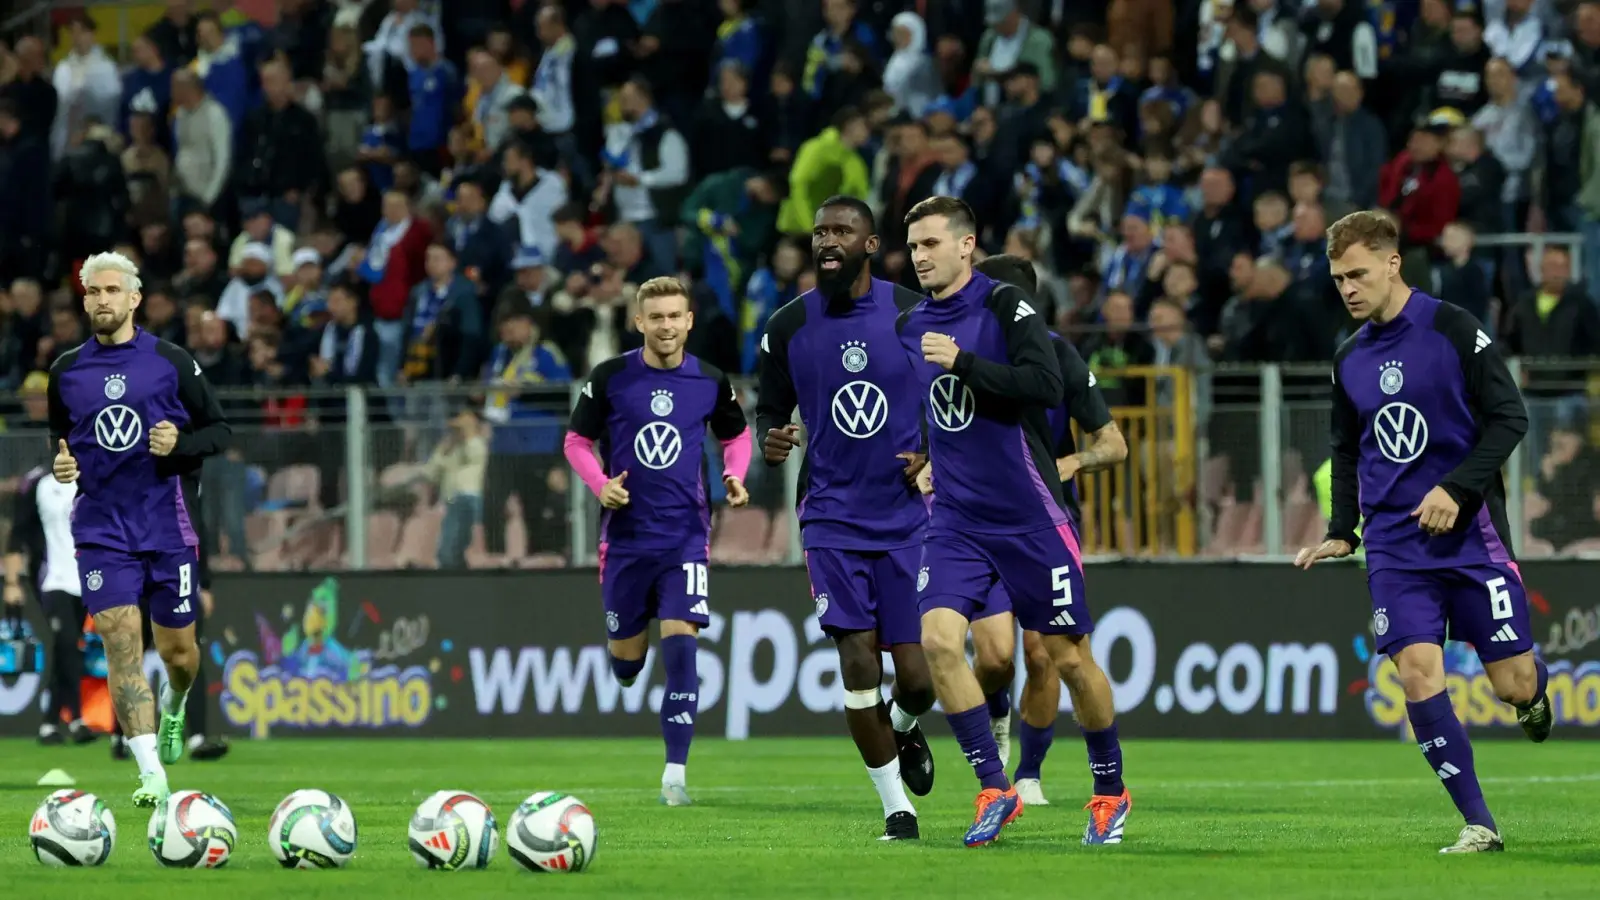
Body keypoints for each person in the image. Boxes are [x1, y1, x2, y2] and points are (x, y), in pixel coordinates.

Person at [1295, 210, 1547, 854]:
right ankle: (1479, 823)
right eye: (1337, 278)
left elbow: (1509, 419)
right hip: (1394, 547)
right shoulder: (1348, 356)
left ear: (1391, 263)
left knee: (1512, 684)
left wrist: (1457, 488)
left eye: (1357, 274)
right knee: (1416, 671)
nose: (1347, 288)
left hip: (1471, 539)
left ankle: (1534, 693)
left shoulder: (1454, 328)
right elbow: (1346, 449)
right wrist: (1343, 531)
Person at [895, 196, 1129, 848]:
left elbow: (1044, 385)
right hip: (956, 520)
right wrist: (923, 455)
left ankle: (1110, 792)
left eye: (932, 244)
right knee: (940, 641)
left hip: (1028, 514)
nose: (920, 256)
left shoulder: (1005, 305)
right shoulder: (911, 323)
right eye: (913, 246)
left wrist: (964, 362)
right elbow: (929, 402)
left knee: (1066, 657)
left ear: (966, 246)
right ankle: (995, 787)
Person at [753, 196, 937, 841]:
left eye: (841, 231)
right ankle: (897, 810)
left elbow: (954, 401)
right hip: (830, 516)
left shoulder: (914, 314)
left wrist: (930, 452)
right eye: (819, 231)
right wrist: (769, 439)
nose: (827, 240)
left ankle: (907, 729)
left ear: (870, 243)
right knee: (859, 664)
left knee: (918, 679)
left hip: (907, 519)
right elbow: (769, 410)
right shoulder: (786, 326)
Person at [47, 251, 231, 806]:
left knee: (179, 654)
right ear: (85, 300)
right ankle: (152, 774)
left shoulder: (171, 363)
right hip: (102, 530)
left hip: (167, 525)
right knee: (120, 643)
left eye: (111, 290)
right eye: (92, 291)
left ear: (133, 298)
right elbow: (62, 445)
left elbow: (220, 430)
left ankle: (175, 708)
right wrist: (62, 467)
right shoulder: (65, 372)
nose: (101, 299)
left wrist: (181, 446)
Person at [563, 276, 753, 807]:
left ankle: (675, 776)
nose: (667, 326)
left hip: (685, 540)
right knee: (627, 666)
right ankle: (625, 657)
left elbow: (735, 434)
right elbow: (576, 440)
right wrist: (600, 485)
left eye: (676, 316)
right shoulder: (612, 378)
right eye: (657, 317)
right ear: (639, 321)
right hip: (624, 542)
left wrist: (735, 474)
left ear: (689, 320)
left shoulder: (711, 380)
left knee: (683, 650)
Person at [966, 253, 1126, 808]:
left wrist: (1075, 462)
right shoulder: (962, 356)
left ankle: (1028, 771)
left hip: (1045, 520)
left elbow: (1115, 444)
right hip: (979, 521)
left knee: (1043, 654)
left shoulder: (1057, 354)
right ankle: (993, 711)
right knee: (993, 659)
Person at [4, 456, 95, 746]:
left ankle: (49, 722)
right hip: (52, 579)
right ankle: (78, 719)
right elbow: (18, 535)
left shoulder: (93, 475)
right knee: (66, 642)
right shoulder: (38, 483)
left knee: (67, 650)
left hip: (90, 580)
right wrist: (12, 581)